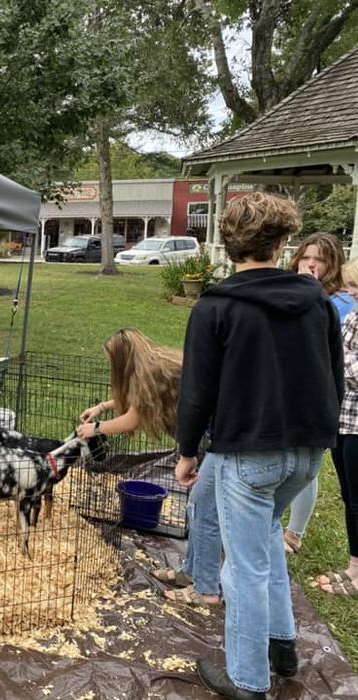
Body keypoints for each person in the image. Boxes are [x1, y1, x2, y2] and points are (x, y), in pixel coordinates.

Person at [176, 192, 342, 699]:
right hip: (307, 452)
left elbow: (197, 391)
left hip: (247, 455)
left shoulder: (216, 306)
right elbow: (334, 375)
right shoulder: (317, 300)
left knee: (243, 565)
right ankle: (283, 645)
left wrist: (187, 453)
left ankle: (247, 680)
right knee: (268, 539)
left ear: (228, 244)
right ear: (283, 241)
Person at [76, 329, 220, 607]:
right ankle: (190, 572)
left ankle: (206, 589)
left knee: (205, 511)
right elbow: (136, 404)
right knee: (197, 507)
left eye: (110, 360)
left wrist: (94, 428)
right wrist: (103, 407)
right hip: (211, 436)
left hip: (220, 437)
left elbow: (131, 420)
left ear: (122, 359)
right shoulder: (153, 364)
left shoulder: (149, 374)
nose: (109, 364)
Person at [283, 232, 354, 554]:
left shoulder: (340, 305)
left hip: (318, 397)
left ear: (333, 265)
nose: (311, 264)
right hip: (285, 390)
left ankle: (294, 533)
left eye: (320, 259)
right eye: (306, 257)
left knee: (306, 467)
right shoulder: (284, 290)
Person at [315, 290, 358, 597]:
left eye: (355, 288)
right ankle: (354, 567)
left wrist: (337, 362)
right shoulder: (353, 318)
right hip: (343, 419)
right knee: (348, 496)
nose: (350, 294)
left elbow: (339, 363)